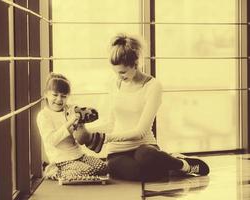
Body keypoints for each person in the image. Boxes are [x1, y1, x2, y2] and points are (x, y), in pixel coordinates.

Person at [85, 33, 210, 181]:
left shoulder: (153, 86)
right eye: (116, 72)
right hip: (117, 152)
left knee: (147, 157)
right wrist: (87, 131)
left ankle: (184, 166)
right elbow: (111, 123)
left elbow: (140, 132)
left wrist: (104, 138)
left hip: (144, 147)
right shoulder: (114, 84)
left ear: (136, 63)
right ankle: (168, 165)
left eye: (123, 72)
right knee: (138, 173)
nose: (119, 76)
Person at [36, 73, 107, 180]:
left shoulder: (69, 109)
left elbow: (80, 135)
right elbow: (51, 141)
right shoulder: (44, 116)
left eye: (63, 96)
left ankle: (74, 170)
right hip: (62, 160)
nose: (59, 99)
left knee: (103, 167)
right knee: (88, 171)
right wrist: (70, 122)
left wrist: (82, 118)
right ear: (46, 94)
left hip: (78, 155)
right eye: (55, 95)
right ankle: (53, 171)